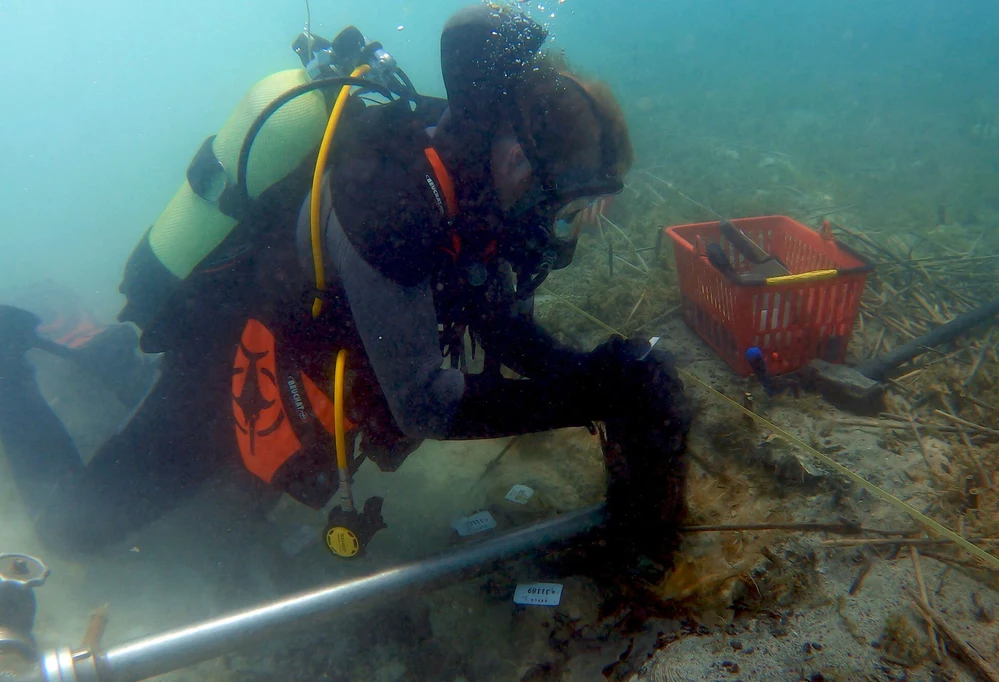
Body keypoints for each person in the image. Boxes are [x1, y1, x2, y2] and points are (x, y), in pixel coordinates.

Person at [0, 5, 690, 570]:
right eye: (567, 206)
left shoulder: (468, 182)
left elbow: (500, 319)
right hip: (230, 358)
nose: (562, 228)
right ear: (516, 161)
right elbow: (422, 403)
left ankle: (113, 355)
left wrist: (601, 375)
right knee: (74, 530)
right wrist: (595, 391)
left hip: (300, 357)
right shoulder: (391, 204)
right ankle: (9, 363)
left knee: (221, 506)